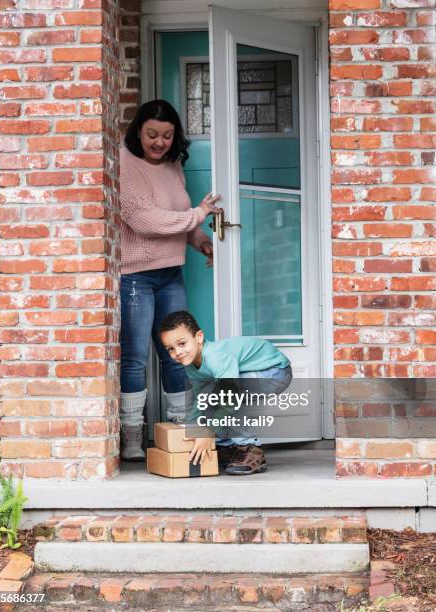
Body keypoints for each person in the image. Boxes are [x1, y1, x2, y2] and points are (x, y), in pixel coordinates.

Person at [119, 100, 221, 461]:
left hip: (170, 273)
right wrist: (199, 214)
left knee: (178, 353)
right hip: (135, 276)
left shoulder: (175, 167)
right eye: (151, 135)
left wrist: (202, 241)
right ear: (138, 133)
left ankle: (180, 431)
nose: (159, 143)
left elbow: (182, 218)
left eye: (167, 135)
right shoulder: (125, 164)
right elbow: (144, 220)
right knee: (133, 357)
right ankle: (132, 437)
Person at [160, 310, 293, 476]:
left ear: (199, 337)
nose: (177, 352)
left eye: (182, 344)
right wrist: (194, 428)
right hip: (254, 372)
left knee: (226, 395)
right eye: (170, 349)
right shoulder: (191, 365)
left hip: (275, 371)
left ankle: (250, 450)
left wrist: (207, 433)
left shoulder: (215, 357)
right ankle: (227, 446)